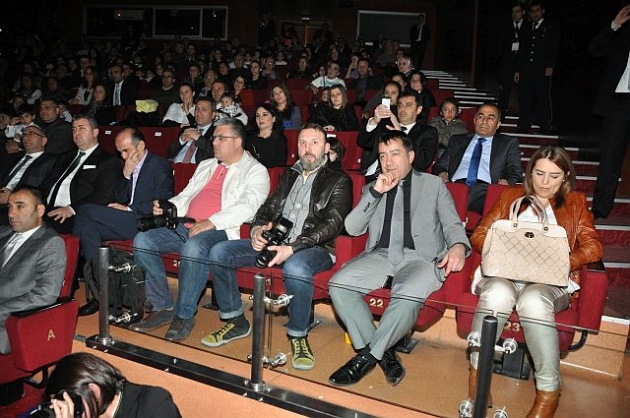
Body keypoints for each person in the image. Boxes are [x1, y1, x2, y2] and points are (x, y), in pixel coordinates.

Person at [467, 145, 602, 417]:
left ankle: (549, 392)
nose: (545, 182)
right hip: (504, 272)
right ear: (530, 173)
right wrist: (503, 247)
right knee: (497, 293)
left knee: (533, 301)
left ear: (565, 177)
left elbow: (593, 247)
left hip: (549, 282)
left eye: (554, 176)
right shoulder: (511, 196)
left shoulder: (575, 202)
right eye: (539, 173)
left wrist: (565, 261)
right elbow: (479, 234)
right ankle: (477, 375)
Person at [205, 124, 352, 371]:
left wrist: (293, 247)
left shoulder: (339, 180)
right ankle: (235, 320)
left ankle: (298, 335)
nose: (308, 148)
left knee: (296, 267)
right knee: (220, 252)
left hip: (316, 248)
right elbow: (269, 207)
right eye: (303, 143)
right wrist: (257, 230)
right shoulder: (289, 175)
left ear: (326, 148)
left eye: (314, 143)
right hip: (277, 241)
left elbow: (333, 224)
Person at [328, 132, 469, 386]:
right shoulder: (373, 187)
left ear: (411, 156)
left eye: (395, 154)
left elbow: (452, 224)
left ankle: (365, 358)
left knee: (407, 294)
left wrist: (458, 246)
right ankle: (385, 355)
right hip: (381, 256)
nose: (388, 162)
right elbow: (352, 228)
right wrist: (375, 193)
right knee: (339, 284)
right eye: (383, 156)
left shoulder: (433, 185)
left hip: (421, 259)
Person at [131, 118, 270, 341]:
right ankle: (163, 306)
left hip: (222, 230)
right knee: (143, 240)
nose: (214, 142)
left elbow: (248, 207)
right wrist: (169, 206)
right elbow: (187, 195)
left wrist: (211, 221)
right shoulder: (206, 165)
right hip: (187, 224)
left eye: (221, 138)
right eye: (214, 138)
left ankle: (184, 315)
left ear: (237, 141)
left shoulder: (255, 171)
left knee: (194, 247)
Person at [73, 127, 174, 316]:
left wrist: (130, 209)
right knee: (89, 229)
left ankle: (72, 268)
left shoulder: (158, 165)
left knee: (86, 210)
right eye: (120, 152)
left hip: (145, 221)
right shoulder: (127, 165)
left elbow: (163, 199)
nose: (124, 156)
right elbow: (118, 197)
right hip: (128, 220)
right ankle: (105, 294)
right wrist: (126, 174)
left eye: (126, 150)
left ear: (140, 145)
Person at [0, 186, 66, 354]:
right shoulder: (4, 232)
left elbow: (46, 293)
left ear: (40, 210)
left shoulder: (50, 243)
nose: (11, 214)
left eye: (20, 206)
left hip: (7, 322)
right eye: (10, 207)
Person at [432, 102, 522, 214]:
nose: (484, 121)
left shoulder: (508, 143)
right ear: (474, 120)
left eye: (490, 118)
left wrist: (506, 181)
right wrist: (442, 173)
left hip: (485, 190)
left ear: (498, 124)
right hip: (455, 186)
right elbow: (441, 164)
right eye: (481, 117)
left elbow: (515, 171)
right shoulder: (457, 140)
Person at [42, 114, 122, 234]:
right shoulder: (64, 157)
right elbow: (47, 183)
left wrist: (71, 209)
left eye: (82, 128)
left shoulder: (108, 161)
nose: (76, 133)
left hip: (74, 214)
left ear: (95, 132)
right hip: (45, 209)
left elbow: (103, 195)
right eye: (74, 129)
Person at [42, 352, 181, 418]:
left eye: (72, 403)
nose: (69, 412)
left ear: (95, 392)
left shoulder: (154, 405)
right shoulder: (94, 412)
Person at [588, 4, 630, 219]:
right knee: (610, 156)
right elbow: (594, 49)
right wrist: (614, 25)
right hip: (620, 100)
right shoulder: (622, 32)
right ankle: (601, 207)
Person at [358, 91, 438, 179]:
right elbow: (362, 142)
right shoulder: (386, 125)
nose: (402, 109)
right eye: (400, 105)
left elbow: (423, 162)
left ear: (419, 109)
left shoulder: (428, 132)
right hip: (371, 176)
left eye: (408, 105)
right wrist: (374, 121)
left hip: (404, 180)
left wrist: (401, 135)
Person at [514, 1, 560, 133]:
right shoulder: (527, 28)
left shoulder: (550, 27)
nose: (535, 14)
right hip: (526, 69)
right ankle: (524, 124)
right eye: (532, 11)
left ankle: (544, 124)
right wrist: (518, 69)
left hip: (542, 69)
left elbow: (554, 47)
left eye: (537, 10)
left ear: (543, 11)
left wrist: (550, 65)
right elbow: (522, 49)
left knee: (542, 97)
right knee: (524, 97)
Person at [0, 125, 56, 224]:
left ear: (43, 141)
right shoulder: (12, 158)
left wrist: (12, 196)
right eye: (24, 134)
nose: (26, 137)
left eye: (31, 134)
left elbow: (45, 189)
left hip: (20, 207)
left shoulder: (51, 161)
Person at [497, 2, 526, 119]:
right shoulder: (506, 27)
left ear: (523, 12)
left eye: (517, 11)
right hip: (507, 64)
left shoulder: (528, 27)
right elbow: (501, 45)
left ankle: (523, 119)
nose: (514, 14)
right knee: (504, 92)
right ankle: (500, 116)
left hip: (523, 65)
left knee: (523, 93)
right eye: (513, 12)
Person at [166, 98, 216, 163]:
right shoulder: (186, 129)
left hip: (197, 167)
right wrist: (181, 141)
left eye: (204, 109)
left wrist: (199, 138)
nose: (199, 112)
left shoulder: (217, 132)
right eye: (197, 109)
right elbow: (168, 154)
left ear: (213, 115)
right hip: (175, 165)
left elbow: (216, 152)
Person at [247, 103, 287, 167]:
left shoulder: (279, 140)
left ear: (273, 119)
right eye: (257, 115)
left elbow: (278, 165)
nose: (260, 118)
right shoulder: (248, 137)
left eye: (264, 115)